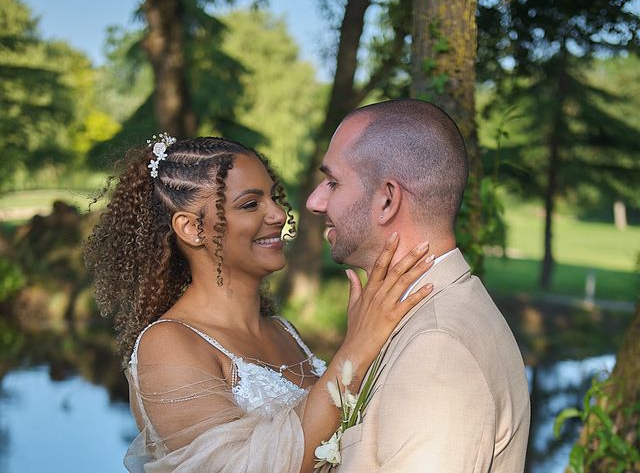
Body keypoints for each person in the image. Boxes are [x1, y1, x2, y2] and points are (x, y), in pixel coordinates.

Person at [84, 135, 434, 472]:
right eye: (250, 204)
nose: (279, 215)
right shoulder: (168, 345)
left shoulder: (283, 331)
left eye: (273, 197)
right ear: (192, 228)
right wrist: (356, 349)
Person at [306, 99, 531, 472]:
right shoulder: (421, 314)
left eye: (333, 182)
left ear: (388, 200)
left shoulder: (439, 346)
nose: (315, 201)